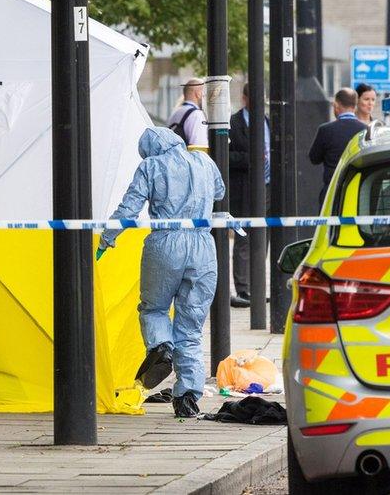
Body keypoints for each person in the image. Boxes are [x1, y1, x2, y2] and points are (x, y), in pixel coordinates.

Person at [99, 126, 225, 418]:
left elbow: (128, 208)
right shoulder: (205, 162)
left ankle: (160, 347)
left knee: (154, 308)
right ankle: (187, 397)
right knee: (191, 326)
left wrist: (108, 238)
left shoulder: (151, 166)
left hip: (165, 242)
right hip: (203, 245)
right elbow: (219, 191)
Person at [227, 83, 269, 309]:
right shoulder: (234, 123)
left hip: (267, 186)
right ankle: (243, 289)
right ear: (244, 99)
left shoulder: (267, 121)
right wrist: (250, 158)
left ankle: (257, 286)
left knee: (264, 237)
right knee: (243, 238)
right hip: (244, 188)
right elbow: (225, 156)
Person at [309, 88, 368, 207]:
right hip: (358, 191)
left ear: (336, 105)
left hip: (331, 191)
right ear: (355, 106)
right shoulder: (366, 130)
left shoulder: (325, 130)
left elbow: (314, 158)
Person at [167, 78, 209, 152]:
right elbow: (200, 149)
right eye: (205, 93)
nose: (206, 97)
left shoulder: (176, 112)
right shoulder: (196, 114)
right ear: (198, 93)